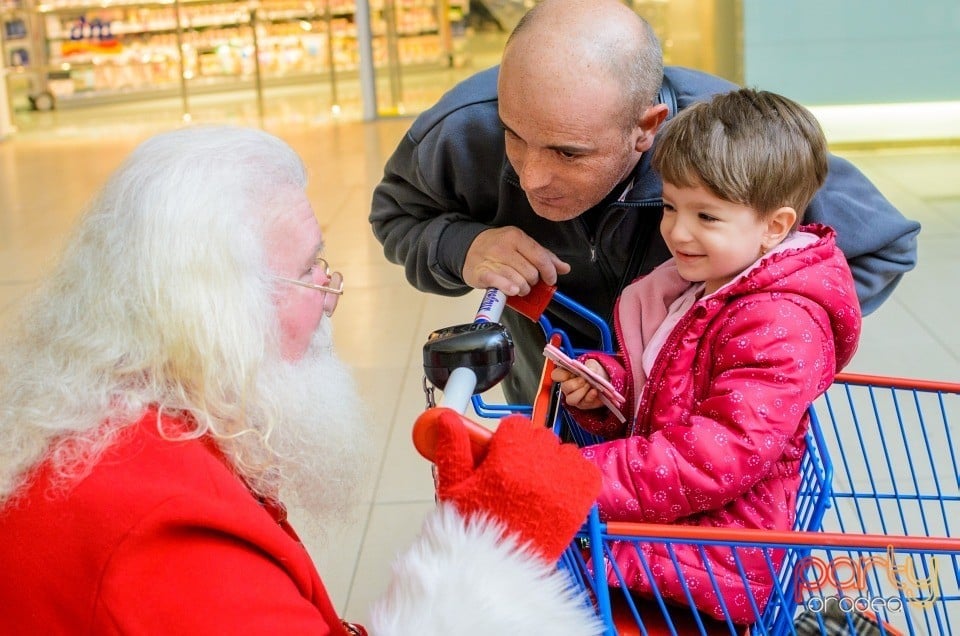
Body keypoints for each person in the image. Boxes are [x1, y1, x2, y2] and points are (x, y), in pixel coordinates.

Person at [0, 125, 606, 635]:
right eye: (308, 270)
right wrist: (488, 553)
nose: (331, 292)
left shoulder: (129, 429)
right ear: (216, 317)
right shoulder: (163, 530)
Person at [368, 0, 919, 407]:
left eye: (569, 151)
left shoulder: (723, 138)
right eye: (513, 135)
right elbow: (397, 214)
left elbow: (883, 244)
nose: (532, 178)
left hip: (700, 414)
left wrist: (746, 326)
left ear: (647, 128)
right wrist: (464, 246)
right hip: (553, 395)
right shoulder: (461, 129)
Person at [553, 88, 863, 624]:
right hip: (687, 532)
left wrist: (572, 477)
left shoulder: (780, 323)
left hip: (716, 559)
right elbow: (679, 387)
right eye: (671, 206)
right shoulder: (709, 285)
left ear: (775, 226)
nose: (676, 230)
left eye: (707, 217)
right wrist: (610, 386)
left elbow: (717, 451)